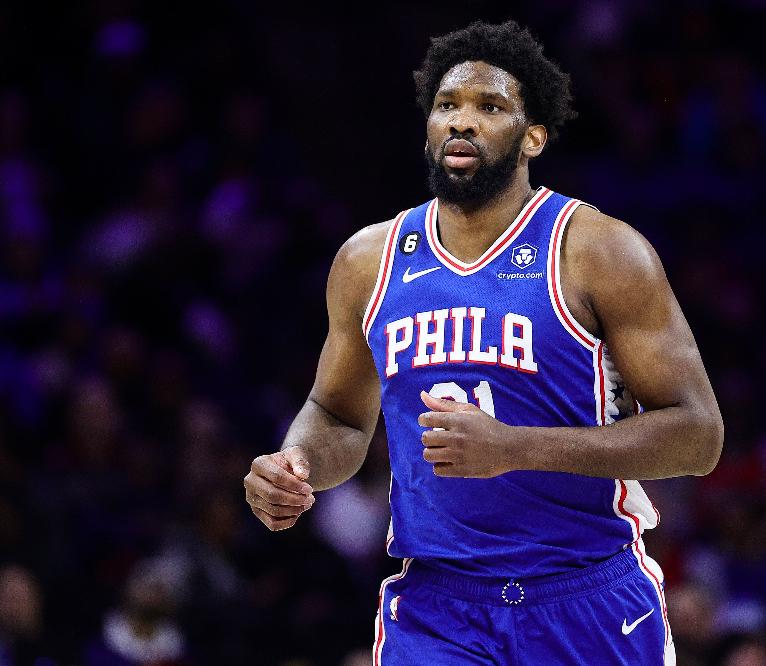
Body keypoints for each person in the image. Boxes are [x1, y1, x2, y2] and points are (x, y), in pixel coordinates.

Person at [243, 20, 723, 665]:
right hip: (440, 607)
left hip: (585, 597)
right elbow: (336, 416)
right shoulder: (369, 260)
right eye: (447, 106)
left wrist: (516, 448)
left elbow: (698, 435)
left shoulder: (599, 251)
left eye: (489, 107)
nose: (460, 122)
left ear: (534, 137)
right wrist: (297, 464)